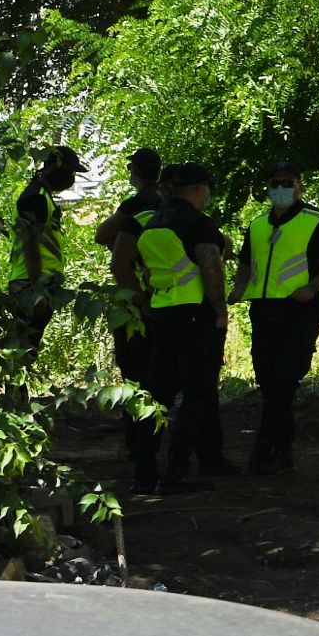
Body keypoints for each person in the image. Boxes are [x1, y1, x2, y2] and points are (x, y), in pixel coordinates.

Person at [236, 159, 319, 475]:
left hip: (299, 309)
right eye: (274, 183)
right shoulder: (258, 224)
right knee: (267, 380)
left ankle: (268, 449)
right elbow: (246, 264)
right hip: (262, 309)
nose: (280, 188)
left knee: (285, 378)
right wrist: (237, 289)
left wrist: (314, 286)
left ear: (300, 186)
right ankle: (280, 447)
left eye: (287, 182)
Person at [133, 160, 233, 491]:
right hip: (195, 315)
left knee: (156, 394)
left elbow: (148, 272)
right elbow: (211, 269)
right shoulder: (200, 224)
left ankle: (144, 473)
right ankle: (175, 472)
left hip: (162, 315)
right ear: (199, 189)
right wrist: (221, 311)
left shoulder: (152, 223)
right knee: (197, 394)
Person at [93, 148, 164, 477]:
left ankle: (138, 438)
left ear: (134, 172)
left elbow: (102, 235)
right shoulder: (171, 200)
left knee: (135, 368)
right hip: (171, 297)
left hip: (140, 297)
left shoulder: (137, 204)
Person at [5, 145, 79, 346]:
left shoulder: (42, 195)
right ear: (55, 165)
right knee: (21, 350)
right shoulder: (35, 197)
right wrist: (38, 291)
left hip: (40, 283)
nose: (72, 177)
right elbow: (30, 245)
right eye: (70, 171)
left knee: (27, 350)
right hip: (30, 284)